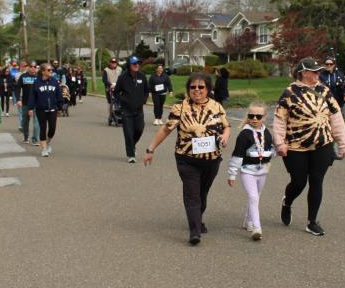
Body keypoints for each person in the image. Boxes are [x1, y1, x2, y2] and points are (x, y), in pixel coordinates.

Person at [143, 73, 231, 245]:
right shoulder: (180, 107)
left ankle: (198, 219)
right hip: (187, 159)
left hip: (211, 160)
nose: (197, 90)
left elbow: (227, 127)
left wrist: (226, 136)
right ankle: (195, 232)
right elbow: (166, 130)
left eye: (201, 87)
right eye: (193, 87)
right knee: (192, 194)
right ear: (188, 89)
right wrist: (150, 149)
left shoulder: (217, 106)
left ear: (208, 89)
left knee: (202, 194)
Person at [273, 57, 345, 236]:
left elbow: (336, 117)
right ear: (303, 73)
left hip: (322, 144)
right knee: (299, 182)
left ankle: (311, 221)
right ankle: (287, 202)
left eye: (318, 71)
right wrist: (280, 143)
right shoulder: (289, 93)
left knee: (316, 181)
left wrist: (342, 143)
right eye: (314, 71)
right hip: (296, 146)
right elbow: (280, 120)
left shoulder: (324, 91)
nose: (318, 74)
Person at [227, 101, 274, 241]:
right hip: (247, 171)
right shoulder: (245, 134)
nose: (254, 119)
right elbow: (237, 154)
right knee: (253, 197)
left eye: (258, 116)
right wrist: (232, 174)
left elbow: (270, 150)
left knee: (255, 198)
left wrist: (279, 150)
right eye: (251, 116)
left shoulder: (267, 132)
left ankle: (248, 220)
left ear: (264, 117)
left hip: (262, 171)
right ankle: (257, 228)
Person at [113, 56, 149, 163]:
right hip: (126, 111)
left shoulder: (142, 76)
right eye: (134, 63)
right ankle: (131, 155)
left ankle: (132, 145)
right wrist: (123, 100)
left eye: (138, 63)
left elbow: (146, 90)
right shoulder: (122, 78)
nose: (137, 65)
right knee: (128, 133)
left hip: (139, 110)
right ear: (129, 65)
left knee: (139, 129)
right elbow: (116, 92)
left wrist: (143, 100)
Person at [29, 63, 65, 157]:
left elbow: (59, 94)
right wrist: (30, 108)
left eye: (51, 70)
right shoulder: (37, 82)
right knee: (43, 128)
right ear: (43, 71)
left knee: (52, 128)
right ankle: (44, 149)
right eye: (49, 70)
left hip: (53, 108)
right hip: (41, 109)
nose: (51, 71)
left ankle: (48, 142)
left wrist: (60, 106)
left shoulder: (54, 81)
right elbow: (32, 96)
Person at [14, 63, 41, 145]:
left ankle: (35, 139)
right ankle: (26, 137)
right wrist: (18, 99)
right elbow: (17, 88)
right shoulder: (23, 76)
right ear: (28, 67)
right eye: (31, 66)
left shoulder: (39, 77)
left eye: (34, 66)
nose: (33, 68)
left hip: (37, 103)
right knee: (25, 121)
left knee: (37, 122)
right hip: (26, 102)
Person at [103, 58, 122, 125]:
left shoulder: (120, 69)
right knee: (110, 102)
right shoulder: (106, 70)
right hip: (109, 88)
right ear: (110, 63)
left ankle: (120, 115)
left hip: (118, 88)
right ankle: (111, 115)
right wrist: (110, 84)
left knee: (120, 101)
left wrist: (118, 84)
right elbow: (104, 80)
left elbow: (122, 78)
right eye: (112, 62)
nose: (114, 64)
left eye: (115, 62)